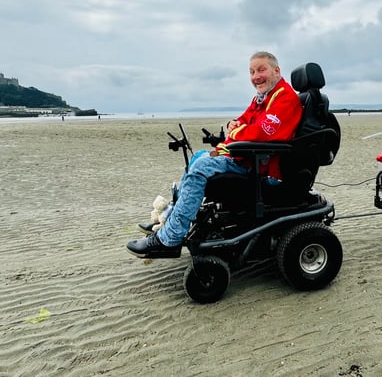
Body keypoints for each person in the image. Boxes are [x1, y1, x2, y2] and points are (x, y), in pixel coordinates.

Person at [126, 51, 303, 258]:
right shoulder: (264, 97)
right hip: (248, 157)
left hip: (262, 167)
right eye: (252, 71)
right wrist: (232, 125)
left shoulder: (285, 98)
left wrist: (235, 131)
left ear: (276, 70)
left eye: (261, 70)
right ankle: (169, 218)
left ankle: (169, 238)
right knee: (199, 157)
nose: (256, 76)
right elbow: (241, 120)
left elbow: (261, 132)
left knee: (200, 167)